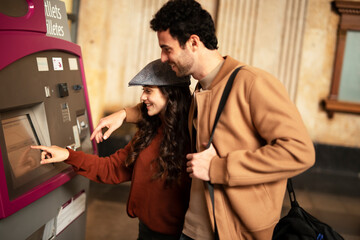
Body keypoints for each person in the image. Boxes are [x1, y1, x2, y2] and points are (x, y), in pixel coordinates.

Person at [90, 0, 316, 239]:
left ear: (194, 42)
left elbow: (299, 152)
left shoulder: (252, 83)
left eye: (167, 49)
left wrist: (219, 167)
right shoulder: (199, 90)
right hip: (192, 228)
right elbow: (171, 108)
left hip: (233, 232)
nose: (163, 59)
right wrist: (124, 114)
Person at [32, 59, 192, 240]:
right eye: (143, 91)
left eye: (148, 91)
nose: (142, 97)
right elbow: (111, 168)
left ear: (170, 94)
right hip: (147, 230)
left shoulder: (195, 135)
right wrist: (68, 155)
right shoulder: (150, 132)